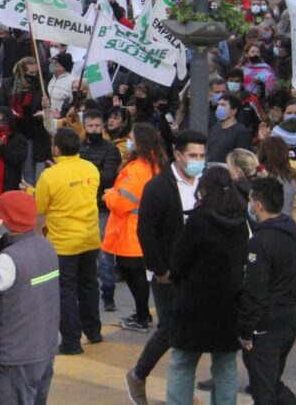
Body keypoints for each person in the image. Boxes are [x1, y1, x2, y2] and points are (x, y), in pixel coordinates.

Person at [125, 130, 207, 405]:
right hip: (167, 273)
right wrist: (160, 270)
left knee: (189, 328)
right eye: (193, 155)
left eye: (202, 156)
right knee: (172, 328)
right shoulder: (159, 187)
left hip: (196, 271)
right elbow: (145, 231)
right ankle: (139, 374)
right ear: (178, 155)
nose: (198, 161)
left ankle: (181, 387)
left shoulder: (204, 183)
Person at [0, 190, 59, 405]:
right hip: (44, 350)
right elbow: (27, 288)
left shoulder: (10, 259)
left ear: (6, 220)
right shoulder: (46, 246)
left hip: (17, 357)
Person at [166, 166, 249, 405]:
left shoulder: (199, 219)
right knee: (225, 366)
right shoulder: (240, 221)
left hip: (195, 303)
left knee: (183, 362)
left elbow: (179, 260)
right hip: (229, 305)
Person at [32, 128, 102, 355]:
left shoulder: (49, 176)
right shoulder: (90, 168)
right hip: (90, 238)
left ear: (56, 149)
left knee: (66, 291)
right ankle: (93, 331)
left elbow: (40, 209)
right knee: (90, 285)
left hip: (63, 243)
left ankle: (71, 341)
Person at [238, 177, 296, 405]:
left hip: (265, 325)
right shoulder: (295, 235)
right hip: (288, 319)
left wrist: (247, 330)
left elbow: (254, 291)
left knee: (264, 391)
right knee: (272, 383)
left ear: (258, 205)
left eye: (250, 200)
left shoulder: (260, 242)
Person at [104, 123, 166, 334]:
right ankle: (142, 314)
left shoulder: (137, 169)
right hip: (141, 229)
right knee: (136, 274)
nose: (128, 141)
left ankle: (141, 317)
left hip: (130, 230)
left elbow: (123, 202)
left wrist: (109, 194)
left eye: (131, 138)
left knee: (134, 274)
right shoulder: (156, 164)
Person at [78, 110, 122, 310]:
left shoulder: (110, 149)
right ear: (84, 126)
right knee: (81, 252)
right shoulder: (78, 147)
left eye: (97, 126)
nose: (94, 130)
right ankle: (86, 293)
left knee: (104, 253)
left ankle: (108, 294)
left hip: (102, 206)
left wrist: (83, 174)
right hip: (80, 205)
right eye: (90, 126)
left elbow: (108, 176)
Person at [206, 94, 253, 162]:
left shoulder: (241, 132)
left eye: (223, 105)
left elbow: (242, 158)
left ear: (234, 111)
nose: (219, 108)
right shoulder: (214, 128)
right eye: (218, 105)